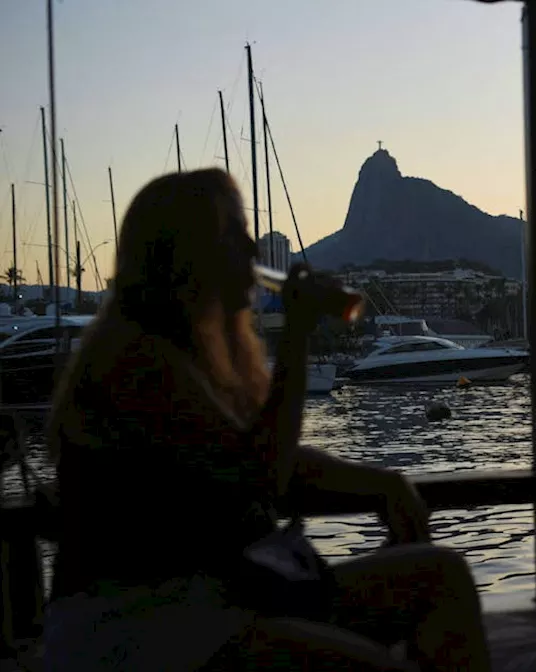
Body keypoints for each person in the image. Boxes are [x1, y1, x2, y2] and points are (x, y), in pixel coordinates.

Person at [43, 169, 492, 672]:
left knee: (441, 577)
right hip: (142, 625)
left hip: (224, 593)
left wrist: (384, 483)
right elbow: (261, 474)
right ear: (187, 256)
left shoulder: (196, 353)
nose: (253, 251)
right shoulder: (134, 359)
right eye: (234, 235)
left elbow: (264, 456)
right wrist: (298, 332)